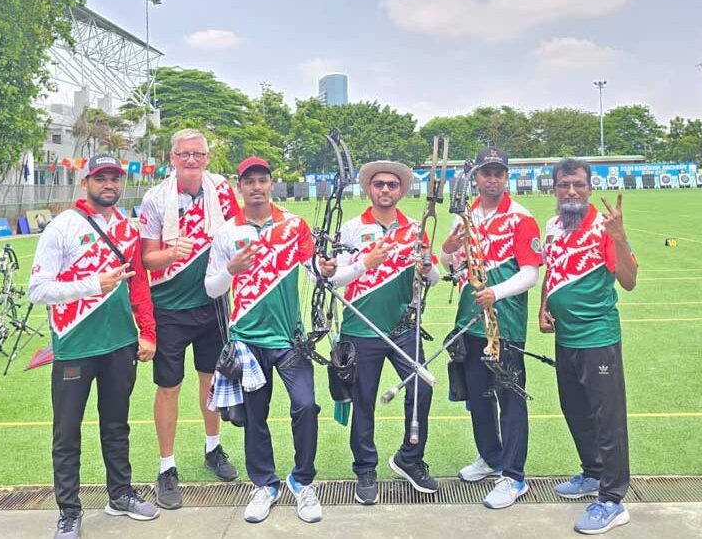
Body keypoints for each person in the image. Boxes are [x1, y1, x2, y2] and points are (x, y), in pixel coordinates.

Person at [28, 154, 159, 539]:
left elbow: (138, 284)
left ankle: (120, 494)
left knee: (116, 425)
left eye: (115, 178)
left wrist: (147, 331)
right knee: (67, 433)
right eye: (101, 178)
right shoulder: (62, 226)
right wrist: (92, 285)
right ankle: (69, 511)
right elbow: (38, 290)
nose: (109, 184)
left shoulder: (128, 228)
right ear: (85, 182)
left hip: (120, 343)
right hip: (75, 345)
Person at [205, 156, 323, 524]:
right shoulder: (227, 233)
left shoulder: (294, 225)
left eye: (262, 180)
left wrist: (327, 269)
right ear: (240, 186)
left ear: (271, 184)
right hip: (247, 340)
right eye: (249, 181)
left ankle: (302, 481)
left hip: (290, 339)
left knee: (306, 406)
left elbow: (314, 270)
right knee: (256, 416)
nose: (256, 187)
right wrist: (231, 270)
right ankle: (264, 485)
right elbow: (212, 289)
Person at [317, 160, 439, 505]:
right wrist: (366, 263)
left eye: (392, 185)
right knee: (363, 401)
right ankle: (365, 469)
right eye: (379, 184)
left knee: (421, 388)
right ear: (369, 189)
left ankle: (409, 459)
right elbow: (333, 279)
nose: (385, 189)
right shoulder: (352, 229)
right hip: (360, 328)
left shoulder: (415, 228)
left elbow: (432, 278)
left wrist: (426, 267)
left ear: (401, 190)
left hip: (403, 327)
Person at [139, 129, 241, 508]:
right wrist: (171, 254)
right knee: (169, 387)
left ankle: (213, 448)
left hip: (213, 303)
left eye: (198, 154)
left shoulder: (222, 190)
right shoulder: (155, 198)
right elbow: (147, 259)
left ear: (208, 158)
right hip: (169, 307)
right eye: (185, 154)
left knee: (211, 380)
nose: (192, 160)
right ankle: (167, 467)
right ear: (173, 158)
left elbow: (240, 234)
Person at [440, 147, 543, 510]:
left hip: (505, 324)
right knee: (479, 397)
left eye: (499, 173)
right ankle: (490, 456)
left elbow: (530, 273)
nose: (492, 179)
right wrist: (447, 250)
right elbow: (452, 264)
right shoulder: (466, 217)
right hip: (470, 322)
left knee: (510, 399)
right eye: (486, 173)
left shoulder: (521, 218)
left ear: (506, 177)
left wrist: (495, 293)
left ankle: (513, 476)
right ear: (477, 178)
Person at [539, 158, 637, 535]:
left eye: (578, 184)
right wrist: (544, 306)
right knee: (574, 408)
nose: (571, 191)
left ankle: (612, 499)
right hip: (565, 337)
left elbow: (629, 281)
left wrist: (620, 237)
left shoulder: (603, 226)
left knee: (607, 419)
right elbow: (553, 271)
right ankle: (593, 473)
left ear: (589, 188)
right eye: (564, 185)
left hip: (598, 337)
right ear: (554, 189)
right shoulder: (552, 226)